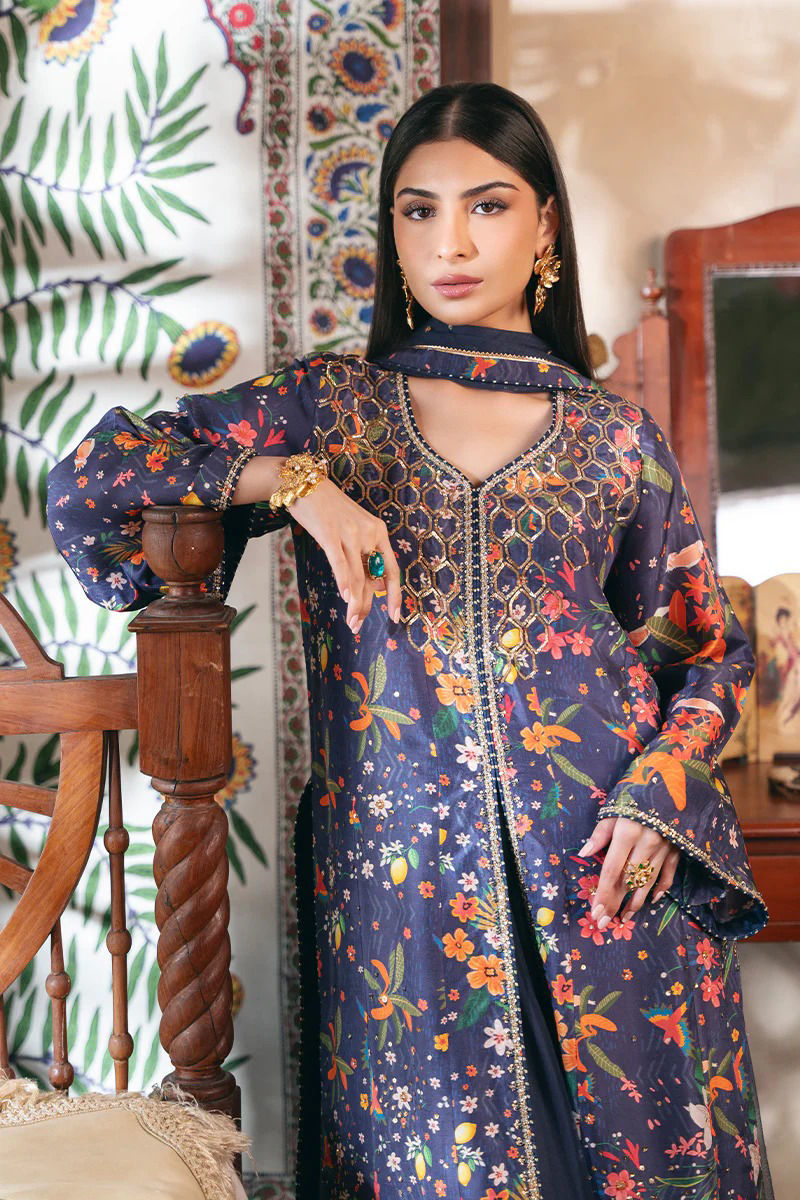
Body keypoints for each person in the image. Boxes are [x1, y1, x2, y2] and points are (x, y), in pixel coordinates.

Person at [47, 82, 773, 1200]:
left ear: (543, 224)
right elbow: (93, 483)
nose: (449, 243)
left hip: (606, 869)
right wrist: (295, 483)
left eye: (487, 205)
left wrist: (660, 789)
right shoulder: (330, 409)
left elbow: (702, 650)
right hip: (404, 891)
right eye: (417, 210)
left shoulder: (615, 439)